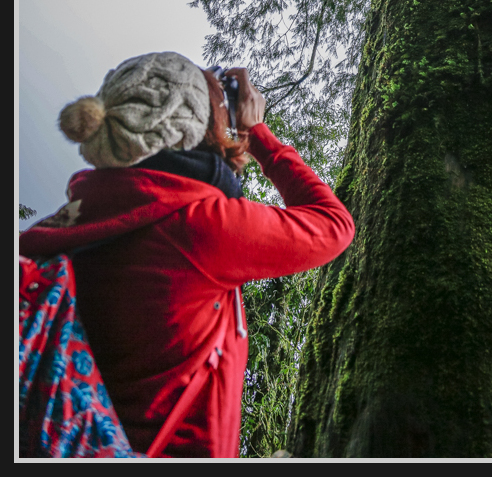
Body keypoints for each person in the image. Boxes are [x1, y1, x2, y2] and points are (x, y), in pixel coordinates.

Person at [19, 51, 355, 458]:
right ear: (193, 126)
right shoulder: (199, 226)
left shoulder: (55, 232)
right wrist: (259, 134)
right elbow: (333, 226)